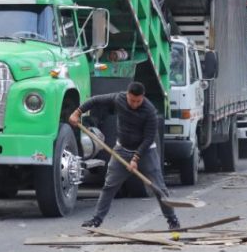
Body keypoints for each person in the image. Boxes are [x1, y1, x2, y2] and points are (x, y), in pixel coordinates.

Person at [68, 81, 180, 230]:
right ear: (127, 95)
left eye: (138, 101)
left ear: (143, 97)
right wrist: (77, 112)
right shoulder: (118, 98)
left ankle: (172, 221)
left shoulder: (149, 111)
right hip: (122, 149)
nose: (134, 104)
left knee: (159, 188)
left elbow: (148, 138)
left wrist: (135, 158)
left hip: (146, 152)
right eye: (132, 100)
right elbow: (95, 101)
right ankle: (96, 220)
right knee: (109, 186)